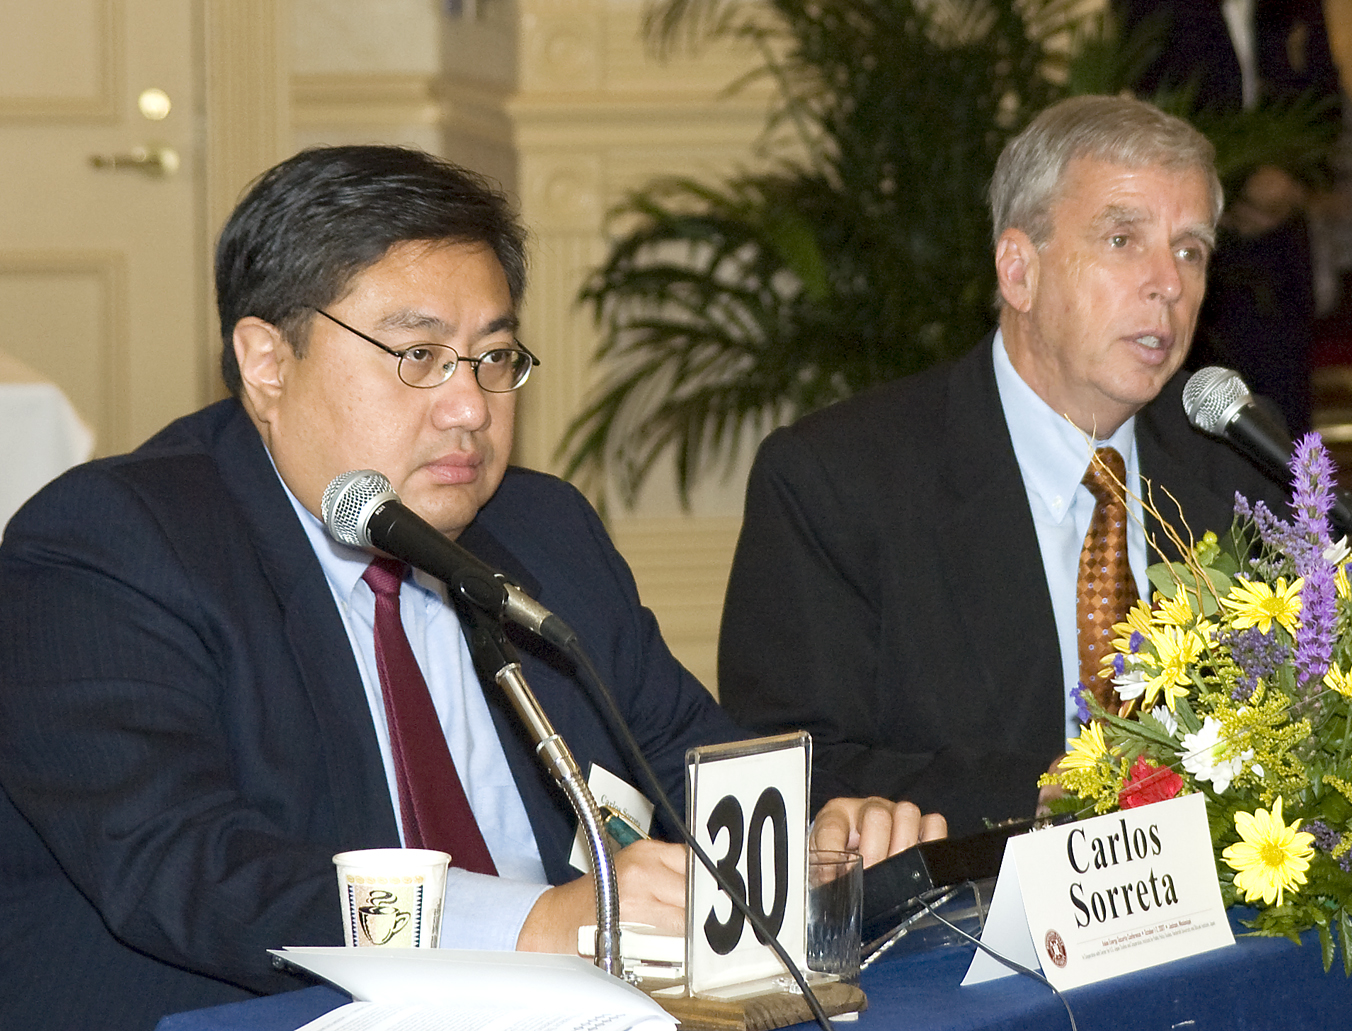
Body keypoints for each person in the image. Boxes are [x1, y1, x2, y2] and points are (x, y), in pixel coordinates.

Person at [0, 146, 942, 1031]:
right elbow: (194, 870)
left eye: (494, 357)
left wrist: (819, 827)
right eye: (417, 356)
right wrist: (532, 925)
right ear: (266, 361)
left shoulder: (542, 531)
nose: (468, 407)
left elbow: (680, 753)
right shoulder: (112, 543)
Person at [717, 96, 1287, 837]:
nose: (1169, 284)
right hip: (959, 930)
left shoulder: (1238, 461)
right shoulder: (838, 481)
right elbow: (788, 766)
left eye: (1190, 250)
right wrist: (1052, 791)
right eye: (1123, 239)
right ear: (1018, 271)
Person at [1114, 0, 1352, 439]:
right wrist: (1230, 186)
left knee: (1277, 414)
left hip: (1279, 247)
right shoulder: (1159, 11)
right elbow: (1154, 117)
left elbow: (1322, 116)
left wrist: (1291, 184)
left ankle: (1287, 496)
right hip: (1188, 233)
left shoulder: (1296, 11)